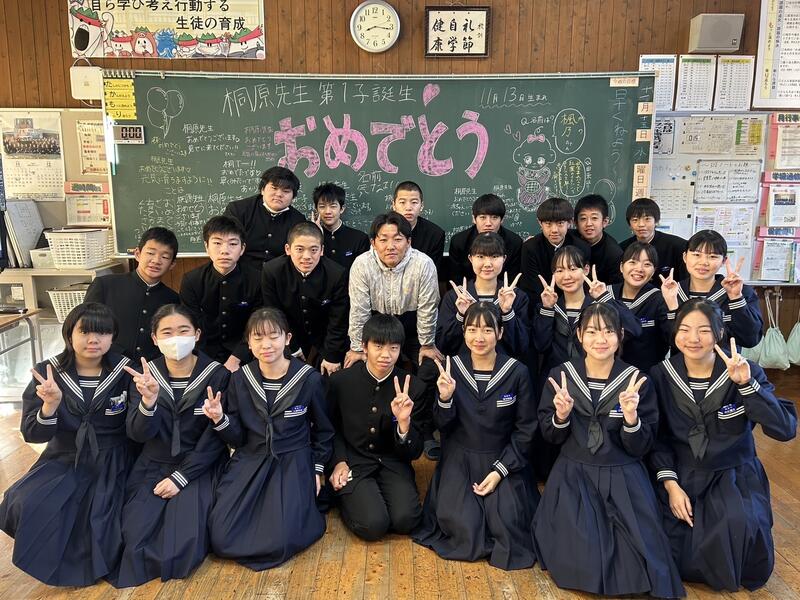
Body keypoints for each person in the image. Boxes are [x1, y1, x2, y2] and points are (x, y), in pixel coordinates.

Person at [533, 302, 685, 598]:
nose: (600, 339)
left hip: (623, 475)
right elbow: (550, 436)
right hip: (573, 475)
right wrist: (561, 416)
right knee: (579, 554)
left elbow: (642, 445)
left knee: (638, 558)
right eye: (591, 331)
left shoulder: (636, 381)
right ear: (579, 335)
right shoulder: (561, 376)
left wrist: (631, 419)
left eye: (608, 331)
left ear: (620, 335)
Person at [649, 299, 797, 591]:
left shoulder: (746, 370)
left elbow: (784, 429)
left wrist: (746, 385)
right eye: (685, 329)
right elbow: (658, 438)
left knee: (737, 531)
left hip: (733, 474)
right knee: (668, 546)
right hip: (683, 473)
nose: (693, 338)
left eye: (704, 330)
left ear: (719, 333)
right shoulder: (661, 375)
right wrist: (671, 485)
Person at [0, 303, 133, 586]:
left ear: (113, 337)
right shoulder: (47, 373)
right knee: (25, 500)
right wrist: (49, 406)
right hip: (64, 455)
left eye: (102, 333)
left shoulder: (127, 371)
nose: (93, 340)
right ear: (69, 334)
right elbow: (32, 434)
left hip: (114, 459)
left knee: (99, 517)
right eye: (84, 332)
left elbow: (138, 428)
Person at [206, 308, 333, 570]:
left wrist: (317, 469)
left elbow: (324, 430)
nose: (266, 345)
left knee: (282, 538)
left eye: (274, 336)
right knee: (221, 536)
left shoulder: (309, 379)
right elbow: (237, 437)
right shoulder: (240, 379)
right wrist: (220, 418)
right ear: (249, 343)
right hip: (251, 457)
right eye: (258, 338)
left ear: (287, 339)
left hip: (293, 459)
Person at [414, 302, 539, 570]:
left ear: (500, 333)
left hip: (503, 458)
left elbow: (526, 428)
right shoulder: (450, 367)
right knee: (463, 526)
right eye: (472, 329)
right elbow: (442, 425)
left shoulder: (517, 372)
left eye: (487, 330)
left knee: (507, 522)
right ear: (463, 332)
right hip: (459, 459)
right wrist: (445, 399)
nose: (479, 337)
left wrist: (500, 471)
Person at [115, 304, 230, 587]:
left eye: (183, 330)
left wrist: (181, 477)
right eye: (167, 332)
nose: (176, 338)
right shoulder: (144, 376)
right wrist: (148, 402)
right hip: (153, 463)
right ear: (154, 339)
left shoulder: (217, 374)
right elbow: (137, 434)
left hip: (199, 466)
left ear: (197, 334)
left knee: (183, 544)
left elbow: (215, 439)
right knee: (132, 538)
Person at [346, 211, 440, 458]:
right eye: (383, 239)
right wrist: (357, 347)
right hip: (377, 326)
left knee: (429, 367)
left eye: (397, 239)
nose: (390, 246)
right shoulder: (362, 264)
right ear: (373, 242)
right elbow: (359, 309)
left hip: (412, 327)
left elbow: (428, 308)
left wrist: (426, 344)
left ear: (408, 241)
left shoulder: (423, 264)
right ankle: (371, 428)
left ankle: (423, 430)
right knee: (358, 367)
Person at [327, 314, 428, 540]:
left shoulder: (414, 387)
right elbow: (330, 429)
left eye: (393, 348)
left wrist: (404, 424)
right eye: (378, 346)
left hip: (393, 462)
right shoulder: (341, 382)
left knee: (407, 520)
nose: (386, 355)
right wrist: (338, 461)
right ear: (364, 347)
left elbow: (415, 451)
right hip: (354, 460)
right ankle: (346, 498)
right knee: (373, 525)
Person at [533, 245, 642, 381]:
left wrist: (604, 297)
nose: (566, 276)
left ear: (586, 269)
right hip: (557, 379)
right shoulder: (548, 307)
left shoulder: (601, 307)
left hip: (598, 378)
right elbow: (541, 346)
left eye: (573, 269)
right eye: (559, 270)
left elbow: (634, 330)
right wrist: (547, 308)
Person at [261, 221, 349, 375]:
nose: (307, 257)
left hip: (325, 341)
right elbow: (274, 314)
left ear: (322, 250)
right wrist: (291, 347)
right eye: (299, 249)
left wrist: (331, 355)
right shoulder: (272, 271)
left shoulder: (337, 274)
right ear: (288, 249)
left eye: (313, 250)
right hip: (287, 338)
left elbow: (338, 320)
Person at [179, 215, 261, 372]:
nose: (224, 251)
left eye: (233, 244)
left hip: (246, 355)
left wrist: (237, 358)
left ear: (242, 248)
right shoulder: (192, 280)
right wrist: (205, 362)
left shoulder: (257, 279)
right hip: (203, 356)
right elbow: (191, 324)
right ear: (206, 246)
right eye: (217, 243)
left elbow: (257, 324)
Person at [84, 227, 179, 361]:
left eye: (165, 257)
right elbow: (86, 327)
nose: (156, 260)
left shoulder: (173, 299)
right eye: (150, 253)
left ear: (172, 264)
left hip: (150, 369)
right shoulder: (105, 285)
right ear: (137, 254)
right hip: (107, 363)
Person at [660, 229, 763, 349]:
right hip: (683, 361)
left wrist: (736, 298)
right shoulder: (672, 292)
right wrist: (673, 307)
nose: (704, 262)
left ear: (723, 261)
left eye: (712, 256)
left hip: (725, 361)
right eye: (697, 255)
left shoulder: (741, 291)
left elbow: (750, 340)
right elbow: (669, 341)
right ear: (685, 257)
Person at [437, 233, 530, 359]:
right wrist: (461, 315)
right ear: (470, 258)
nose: (487, 264)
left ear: (504, 258)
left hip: (504, 366)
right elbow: (443, 345)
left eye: (494, 256)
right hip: (464, 365)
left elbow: (521, 346)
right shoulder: (455, 297)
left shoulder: (516, 296)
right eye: (480, 256)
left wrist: (507, 312)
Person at [223, 166, 306, 267]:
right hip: (241, 272)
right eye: (274, 188)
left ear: (293, 197)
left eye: (286, 191)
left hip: (278, 274)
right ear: (262, 189)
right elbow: (226, 244)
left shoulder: (298, 220)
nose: (279, 194)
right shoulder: (238, 210)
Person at [611, 242, 671, 371]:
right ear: (621, 267)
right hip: (608, 374)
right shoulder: (606, 294)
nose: (639, 269)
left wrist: (672, 304)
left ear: (654, 271)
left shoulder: (660, 299)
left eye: (647, 264)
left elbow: (673, 338)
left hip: (647, 374)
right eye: (633, 262)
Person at [518, 197, 590, 301]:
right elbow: (531, 286)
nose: (554, 230)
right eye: (548, 224)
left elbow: (583, 283)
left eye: (560, 223)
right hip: (541, 301)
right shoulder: (530, 248)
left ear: (569, 222)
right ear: (540, 223)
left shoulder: (581, 247)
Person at [448, 194, 523, 282]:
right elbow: (455, 279)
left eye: (494, 217)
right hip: (467, 289)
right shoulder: (459, 242)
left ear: (502, 220)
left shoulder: (514, 242)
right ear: (474, 219)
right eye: (483, 217)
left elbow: (513, 278)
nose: (488, 223)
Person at [620, 197, 687, 285]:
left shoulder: (678, 246)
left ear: (656, 221)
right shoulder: (622, 249)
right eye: (635, 220)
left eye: (647, 219)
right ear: (629, 224)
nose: (641, 224)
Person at [392, 180, 445, 279]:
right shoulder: (383, 231)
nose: (408, 208)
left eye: (414, 202)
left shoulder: (435, 234)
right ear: (394, 205)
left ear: (422, 206)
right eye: (402, 202)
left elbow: (432, 272)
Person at [312, 182, 369, 271]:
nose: (328, 211)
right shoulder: (309, 239)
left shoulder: (360, 238)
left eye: (333, 206)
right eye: (322, 207)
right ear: (316, 210)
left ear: (342, 209)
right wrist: (315, 235)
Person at [574, 194, 623, 285]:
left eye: (594, 218)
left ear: (605, 222)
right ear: (576, 223)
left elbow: (615, 287)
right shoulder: (569, 240)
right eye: (583, 218)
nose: (589, 223)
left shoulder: (614, 253)